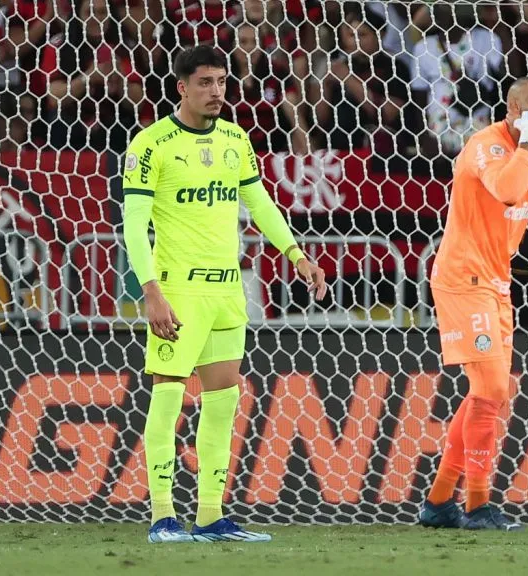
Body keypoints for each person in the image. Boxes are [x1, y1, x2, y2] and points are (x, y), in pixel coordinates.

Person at [122, 45, 327, 544]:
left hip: (226, 291)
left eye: (221, 82)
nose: (216, 92)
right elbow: (134, 224)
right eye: (205, 83)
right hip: (178, 291)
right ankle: (163, 517)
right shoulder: (150, 144)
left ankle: (210, 516)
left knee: (222, 402)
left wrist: (296, 253)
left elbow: (260, 203)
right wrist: (151, 292)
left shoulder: (236, 139)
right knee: (168, 399)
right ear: (182, 87)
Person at [418, 76, 528, 530]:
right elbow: (510, 190)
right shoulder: (486, 145)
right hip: (462, 278)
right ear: (513, 108)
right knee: (492, 391)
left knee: (485, 392)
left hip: (496, 282)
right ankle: (477, 506)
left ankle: (439, 502)